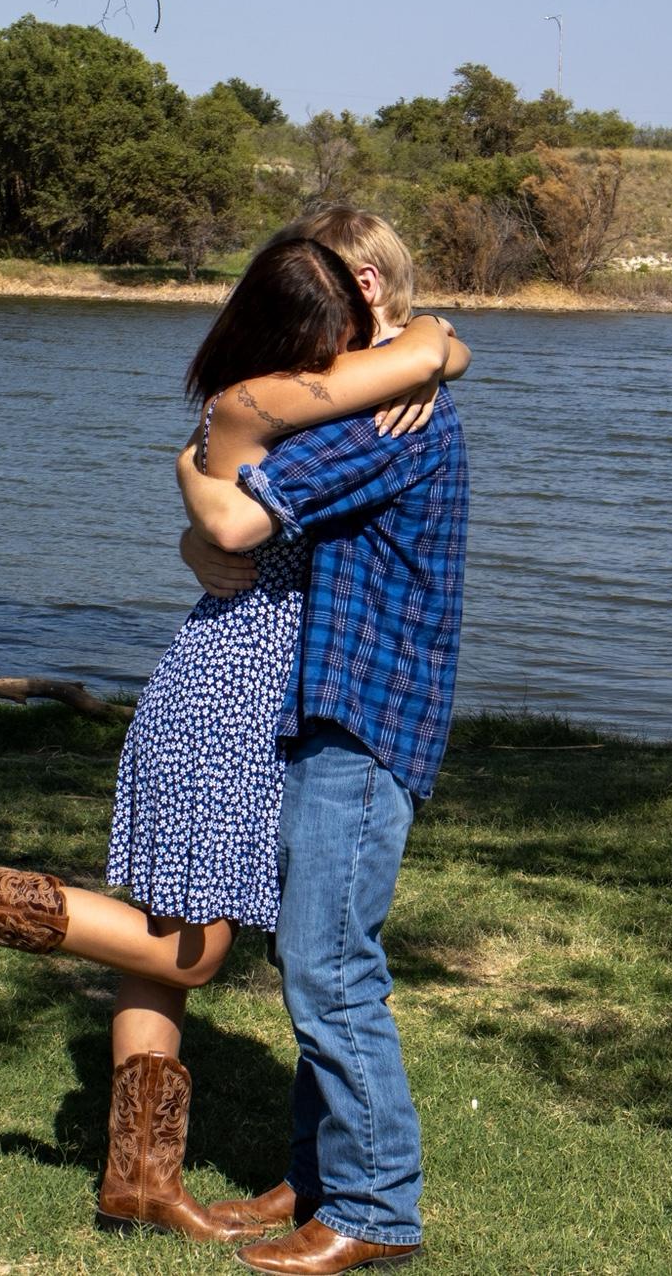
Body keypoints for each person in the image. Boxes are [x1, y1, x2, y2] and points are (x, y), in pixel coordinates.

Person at [0, 233, 466, 1245]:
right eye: (328, 338)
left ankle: (139, 1180)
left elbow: (232, 483)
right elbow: (234, 520)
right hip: (233, 693)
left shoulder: (273, 402)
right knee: (192, 951)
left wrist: (437, 342)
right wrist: (427, 349)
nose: (340, 362)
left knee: (161, 944)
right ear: (299, 337)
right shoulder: (265, 402)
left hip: (224, 680)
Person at [176, 207, 471, 1275]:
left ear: (365, 291)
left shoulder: (392, 418)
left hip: (364, 712)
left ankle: (376, 1206)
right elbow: (226, 481)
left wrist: (194, 487)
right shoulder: (388, 385)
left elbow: (237, 518)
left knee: (331, 963)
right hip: (330, 705)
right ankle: (314, 1177)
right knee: (314, 950)